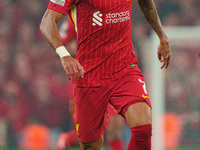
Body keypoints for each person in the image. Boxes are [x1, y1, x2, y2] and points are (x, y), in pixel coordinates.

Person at [40, 0, 171, 149]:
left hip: (124, 68)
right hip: (89, 76)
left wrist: (162, 36)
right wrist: (65, 55)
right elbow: (47, 21)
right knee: (90, 144)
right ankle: (67, 140)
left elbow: (146, 3)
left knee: (143, 128)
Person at [56, 17, 125, 150]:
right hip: (84, 81)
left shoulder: (113, 13)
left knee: (114, 128)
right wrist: (78, 54)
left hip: (109, 78)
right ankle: (66, 140)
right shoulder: (75, 18)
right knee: (88, 136)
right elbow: (58, 45)